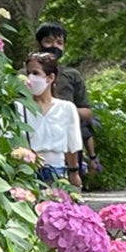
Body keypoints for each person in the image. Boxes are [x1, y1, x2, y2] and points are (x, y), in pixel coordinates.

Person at [34, 22, 95, 181]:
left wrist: (62, 111)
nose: (54, 46)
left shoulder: (72, 75)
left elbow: (87, 112)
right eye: (48, 41)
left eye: (59, 43)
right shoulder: (26, 75)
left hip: (67, 144)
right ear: (38, 43)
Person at [21, 53, 83, 182]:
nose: (30, 78)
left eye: (36, 73)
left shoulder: (66, 108)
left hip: (57, 173)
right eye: (28, 73)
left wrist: (74, 174)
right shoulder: (19, 107)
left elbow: (72, 146)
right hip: (27, 174)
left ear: (50, 78)